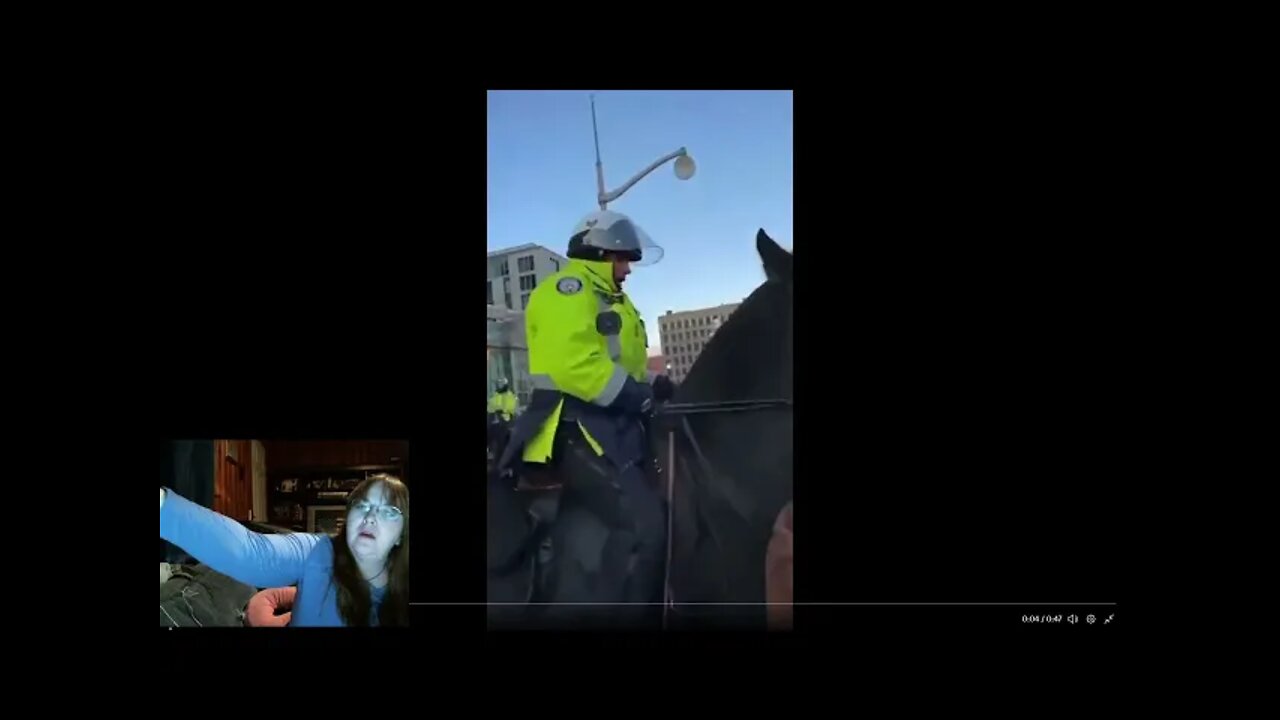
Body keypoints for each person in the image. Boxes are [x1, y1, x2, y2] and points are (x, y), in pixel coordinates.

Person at [498, 209, 677, 619]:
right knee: (646, 530)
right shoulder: (569, 289)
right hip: (572, 426)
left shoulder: (613, 298)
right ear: (598, 253)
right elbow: (574, 365)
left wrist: (655, 387)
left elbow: (623, 366)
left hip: (612, 423)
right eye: (621, 258)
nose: (628, 268)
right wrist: (638, 396)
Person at [159, 473, 409, 627]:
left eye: (388, 511)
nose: (370, 518)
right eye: (362, 506)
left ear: (401, 535)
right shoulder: (318, 551)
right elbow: (251, 553)